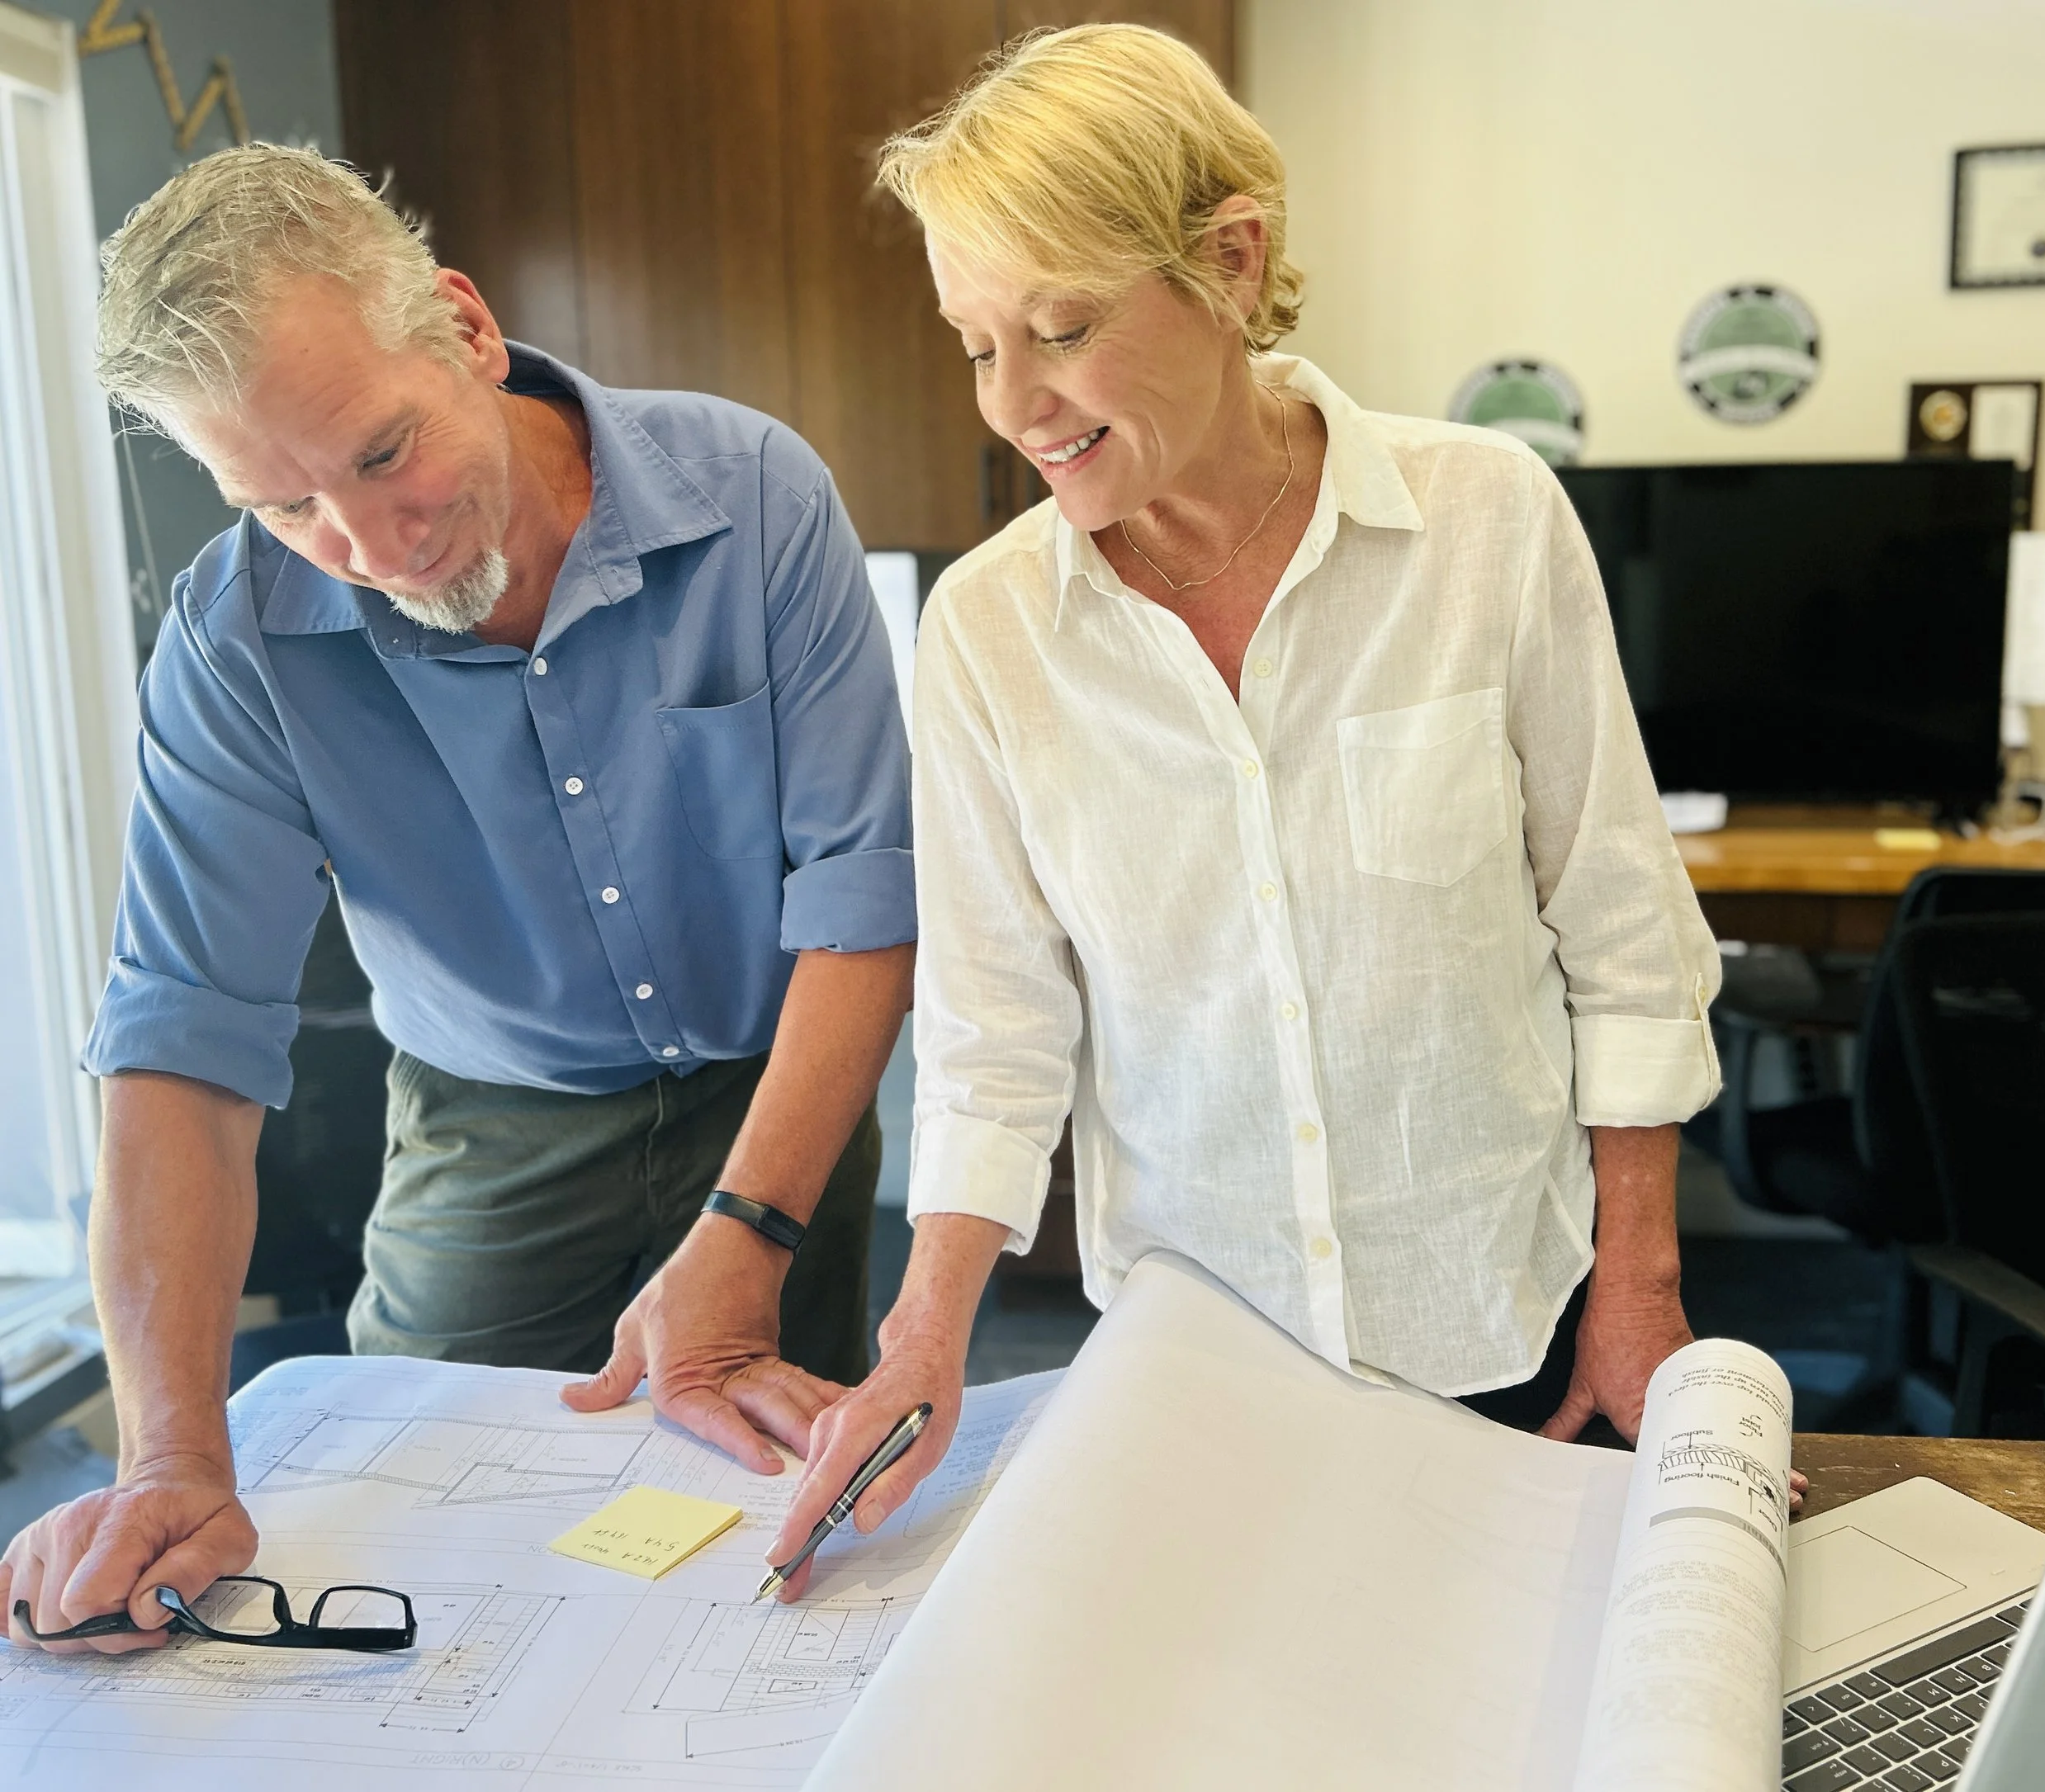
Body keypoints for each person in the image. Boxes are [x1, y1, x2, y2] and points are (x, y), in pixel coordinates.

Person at [769, 24, 1741, 1593]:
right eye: (973, 341)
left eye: (1063, 327)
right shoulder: (991, 629)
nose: (1010, 400)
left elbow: (1626, 939)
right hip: (1197, 1372)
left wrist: (1641, 1278)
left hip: (1503, 1323)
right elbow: (995, 1029)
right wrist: (924, 1331)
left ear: (1229, 261)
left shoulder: (1488, 522)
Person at [2, 145, 913, 1653]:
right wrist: (168, 1453)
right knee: (421, 1535)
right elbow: (178, 1049)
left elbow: (860, 900)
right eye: (283, 506)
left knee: (768, 1545)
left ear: (467, 330)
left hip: (781, 1095)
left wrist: (748, 1227)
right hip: (489, 1122)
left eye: (378, 454)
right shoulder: (235, 646)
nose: (367, 549)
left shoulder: (755, 498)